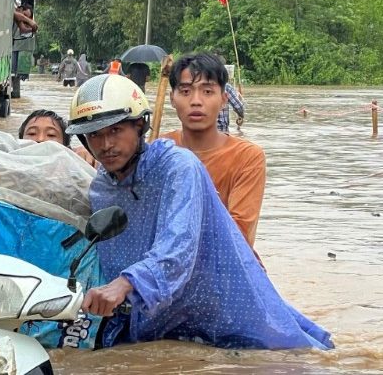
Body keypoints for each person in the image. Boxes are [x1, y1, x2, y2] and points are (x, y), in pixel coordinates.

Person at [66, 73, 333, 350]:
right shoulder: (101, 187)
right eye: (95, 135)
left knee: (282, 358)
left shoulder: (178, 167)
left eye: (115, 131)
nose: (106, 145)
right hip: (155, 321)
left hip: (221, 311)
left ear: (139, 126)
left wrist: (125, 284)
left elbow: (178, 249)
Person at [162, 53, 265, 249]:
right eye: (185, 92)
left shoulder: (248, 157)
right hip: (164, 263)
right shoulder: (160, 149)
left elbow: (239, 234)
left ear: (224, 99)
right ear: (172, 99)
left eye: (207, 92)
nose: (196, 101)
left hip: (224, 264)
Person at [18, 109, 97, 167]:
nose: (40, 139)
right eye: (32, 133)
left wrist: (88, 153)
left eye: (51, 135)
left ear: (66, 147)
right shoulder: (7, 163)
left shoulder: (74, 168)